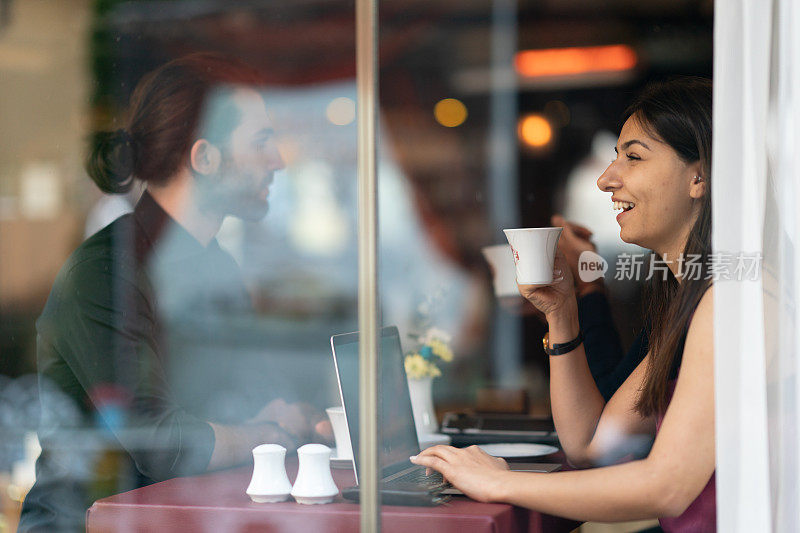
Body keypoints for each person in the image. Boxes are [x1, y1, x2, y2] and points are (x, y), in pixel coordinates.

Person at [19, 53, 330, 532]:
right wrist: (261, 434)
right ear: (204, 157)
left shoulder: (215, 266)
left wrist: (284, 415)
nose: (279, 160)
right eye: (262, 141)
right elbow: (161, 445)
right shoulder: (105, 271)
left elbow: (245, 395)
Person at [413, 77, 715, 531]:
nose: (605, 178)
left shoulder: (729, 301)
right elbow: (590, 444)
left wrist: (500, 484)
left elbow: (667, 488)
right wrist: (561, 310)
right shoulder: (687, 299)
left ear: (700, 176)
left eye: (633, 157)